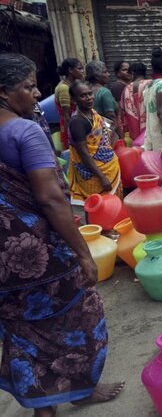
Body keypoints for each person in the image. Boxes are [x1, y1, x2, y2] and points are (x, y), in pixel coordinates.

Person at [0, 52, 124, 417]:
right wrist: (84, 254)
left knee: (19, 327)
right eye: (27, 86)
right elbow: (53, 200)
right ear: (4, 91)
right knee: (82, 317)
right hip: (38, 252)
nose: (36, 93)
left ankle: (44, 405)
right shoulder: (25, 132)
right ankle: (78, 389)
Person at [67, 81, 122, 205]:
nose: (89, 98)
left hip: (109, 167)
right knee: (97, 205)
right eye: (83, 96)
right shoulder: (78, 122)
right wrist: (102, 177)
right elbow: (84, 153)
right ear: (74, 100)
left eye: (90, 94)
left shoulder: (93, 114)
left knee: (113, 206)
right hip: (94, 174)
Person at [55, 58, 84, 149]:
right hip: (71, 126)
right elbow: (66, 115)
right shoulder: (64, 88)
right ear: (70, 70)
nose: (82, 71)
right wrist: (71, 136)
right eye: (79, 69)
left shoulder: (75, 84)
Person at [84, 61, 119, 134]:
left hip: (89, 131)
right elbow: (110, 116)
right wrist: (119, 133)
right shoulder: (105, 92)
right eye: (105, 72)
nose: (108, 74)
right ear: (97, 76)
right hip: (104, 132)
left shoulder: (85, 90)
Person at [120, 62, 150, 143]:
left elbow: (123, 110)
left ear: (132, 73)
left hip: (134, 129)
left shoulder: (127, 88)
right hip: (150, 126)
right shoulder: (151, 84)